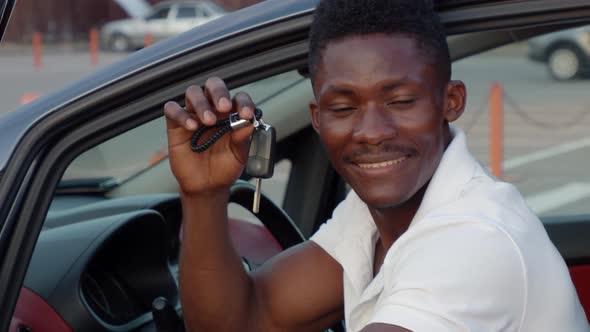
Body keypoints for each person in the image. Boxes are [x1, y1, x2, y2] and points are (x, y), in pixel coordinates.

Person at [163, 0, 588, 331]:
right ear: (317, 118)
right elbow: (245, 322)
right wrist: (204, 195)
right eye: (343, 107)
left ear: (451, 102)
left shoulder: (474, 239)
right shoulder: (376, 215)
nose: (371, 131)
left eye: (401, 101)